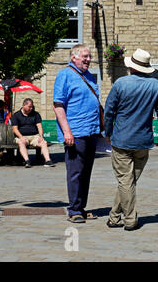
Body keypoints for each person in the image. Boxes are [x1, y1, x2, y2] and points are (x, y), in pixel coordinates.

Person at [104, 48, 158, 231]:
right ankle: (114, 217)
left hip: (122, 140)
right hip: (143, 141)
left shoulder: (120, 83)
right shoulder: (156, 85)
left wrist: (107, 133)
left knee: (125, 182)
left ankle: (130, 220)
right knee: (128, 182)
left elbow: (109, 112)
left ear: (131, 67)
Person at [53, 44, 101, 224]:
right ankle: (74, 210)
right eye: (85, 56)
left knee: (86, 172)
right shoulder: (64, 74)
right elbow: (58, 105)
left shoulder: (88, 76)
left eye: (89, 56)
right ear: (74, 57)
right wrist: (67, 131)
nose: (88, 59)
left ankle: (81, 206)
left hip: (91, 131)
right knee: (75, 172)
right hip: (75, 132)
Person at [10, 98, 55, 168]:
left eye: (32, 107)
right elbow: (15, 129)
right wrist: (21, 137)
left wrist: (41, 136)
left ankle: (48, 161)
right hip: (22, 136)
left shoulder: (36, 114)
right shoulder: (16, 115)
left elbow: (39, 126)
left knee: (43, 142)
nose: (31, 108)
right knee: (21, 143)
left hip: (34, 136)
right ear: (24, 105)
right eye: (29, 106)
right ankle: (27, 161)